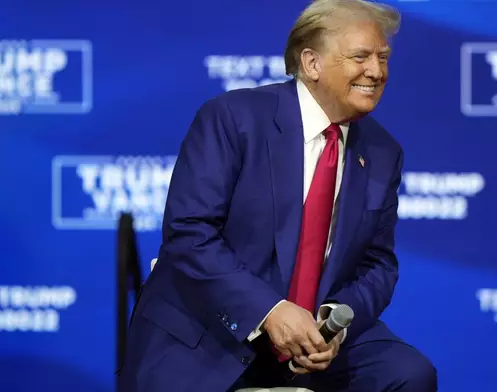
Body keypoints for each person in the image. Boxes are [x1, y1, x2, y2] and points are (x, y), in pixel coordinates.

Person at [117, 0, 437, 391]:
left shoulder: (383, 152)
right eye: (361, 57)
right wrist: (268, 312)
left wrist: (336, 321)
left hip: (313, 346)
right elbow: (190, 233)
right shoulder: (234, 118)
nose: (376, 71)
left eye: (383, 57)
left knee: (408, 375)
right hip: (211, 329)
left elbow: (378, 264)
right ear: (312, 63)